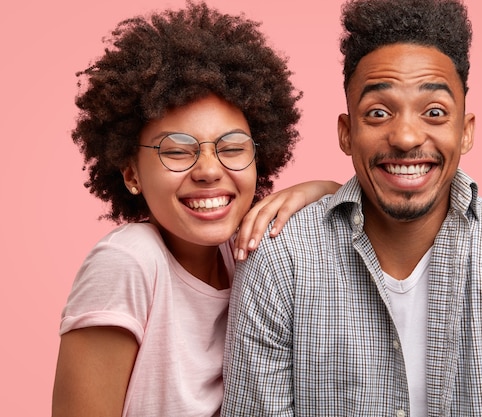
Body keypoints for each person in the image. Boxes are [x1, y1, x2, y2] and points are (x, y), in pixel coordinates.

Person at [221, 0, 482, 415]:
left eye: (435, 112)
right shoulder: (280, 260)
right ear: (347, 133)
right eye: (379, 112)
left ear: (465, 132)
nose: (406, 136)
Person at [51, 3, 339, 416]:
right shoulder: (128, 263)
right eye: (176, 151)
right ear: (131, 173)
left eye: (233, 148)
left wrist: (319, 190)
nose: (208, 170)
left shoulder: (247, 251)